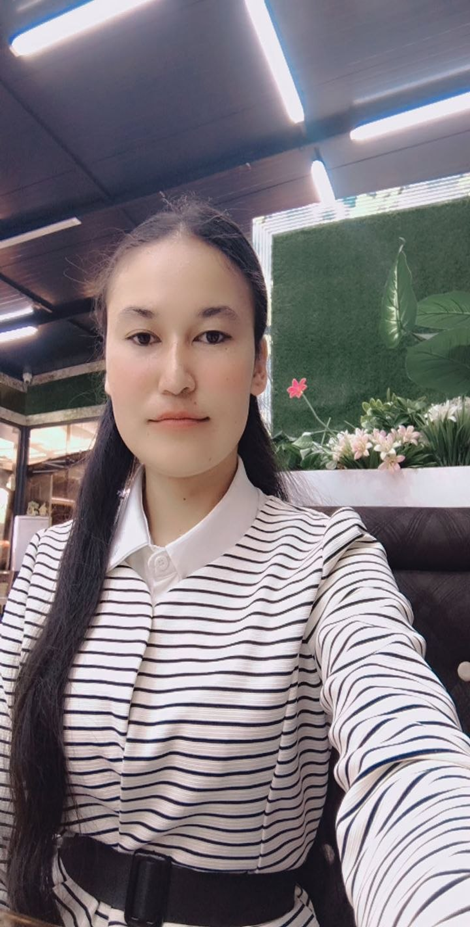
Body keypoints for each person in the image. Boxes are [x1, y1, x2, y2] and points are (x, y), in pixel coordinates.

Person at [0, 197, 469, 927]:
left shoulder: (327, 562)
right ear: (109, 367)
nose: (176, 375)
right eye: (143, 336)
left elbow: (406, 757)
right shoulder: (50, 564)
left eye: (213, 335)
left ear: (258, 365)